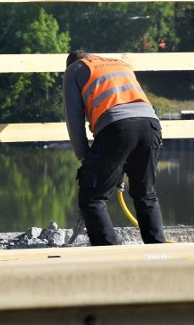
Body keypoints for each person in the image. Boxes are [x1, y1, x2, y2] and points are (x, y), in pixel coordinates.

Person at [63, 49, 166, 246]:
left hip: (116, 127)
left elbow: (73, 118)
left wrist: (85, 158)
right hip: (151, 125)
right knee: (145, 193)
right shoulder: (119, 63)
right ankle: (158, 251)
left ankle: (109, 254)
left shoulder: (74, 70)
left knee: (92, 198)